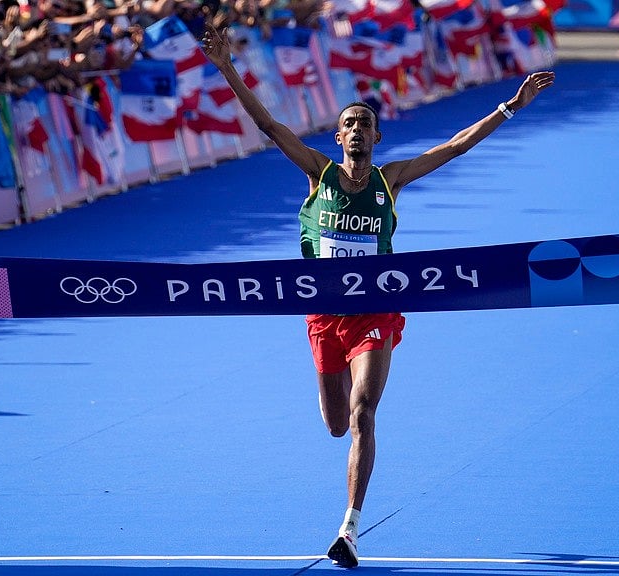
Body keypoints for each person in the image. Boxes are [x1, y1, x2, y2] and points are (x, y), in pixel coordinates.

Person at [201, 22, 554, 569]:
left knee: (363, 411)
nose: (357, 130)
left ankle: (349, 529)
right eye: (348, 124)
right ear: (338, 138)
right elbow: (269, 125)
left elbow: (455, 146)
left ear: (376, 138)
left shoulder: (391, 180)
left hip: (375, 311)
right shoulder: (318, 173)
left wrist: (510, 106)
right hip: (324, 314)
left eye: (365, 123)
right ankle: (344, 445)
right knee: (335, 423)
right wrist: (227, 67)